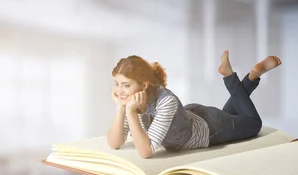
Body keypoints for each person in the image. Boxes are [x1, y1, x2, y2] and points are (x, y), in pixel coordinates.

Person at [107, 50, 281, 158]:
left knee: (254, 123)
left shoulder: (165, 100)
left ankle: (233, 77)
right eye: (117, 83)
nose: (120, 90)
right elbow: (115, 143)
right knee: (233, 116)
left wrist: (129, 112)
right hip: (196, 117)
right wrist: (121, 107)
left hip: (210, 128)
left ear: (144, 85)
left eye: (126, 85)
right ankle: (250, 78)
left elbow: (146, 152)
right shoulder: (132, 101)